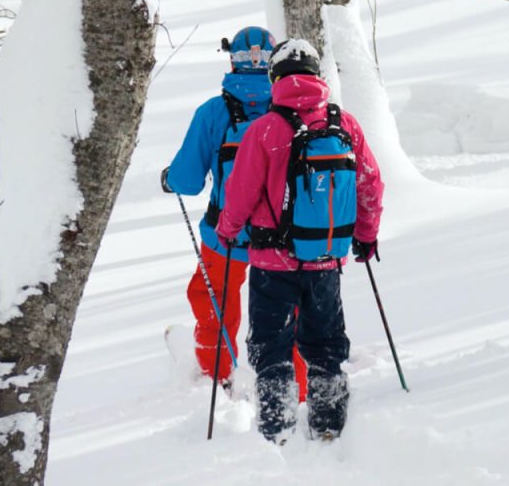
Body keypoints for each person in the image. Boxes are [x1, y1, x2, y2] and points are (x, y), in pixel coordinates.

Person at [217, 39, 384, 443]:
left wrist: (227, 231)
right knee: (326, 344)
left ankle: (277, 430)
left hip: (272, 264)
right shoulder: (343, 124)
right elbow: (370, 183)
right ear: (317, 76)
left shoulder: (265, 130)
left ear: (276, 78)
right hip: (325, 259)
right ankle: (329, 426)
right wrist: (365, 236)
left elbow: (240, 193)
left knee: (271, 347)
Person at [161, 26, 312, 395]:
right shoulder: (296, 109)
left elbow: (188, 180)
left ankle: (218, 375)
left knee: (213, 301)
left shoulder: (213, 113)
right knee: (291, 311)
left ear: (232, 59)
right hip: (285, 237)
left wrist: (170, 179)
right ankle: (299, 385)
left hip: (225, 235)